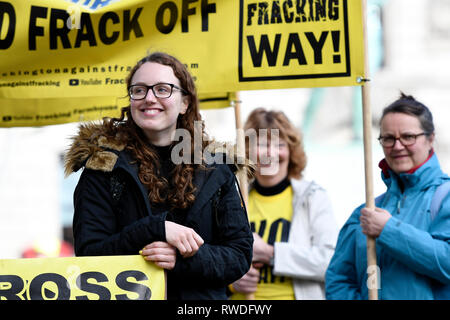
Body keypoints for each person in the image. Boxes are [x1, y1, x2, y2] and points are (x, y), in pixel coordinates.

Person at [64, 52, 253, 300]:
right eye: (139, 90)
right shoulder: (103, 167)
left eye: (162, 89)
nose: (149, 98)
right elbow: (90, 256)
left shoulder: (216, 168)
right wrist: (155, 229)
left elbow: (239, 256)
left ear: (185, 102)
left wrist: (182, 260)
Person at [326, 93, 450, 300]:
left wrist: (388, 230)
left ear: (430, 139)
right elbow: (338, 279)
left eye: (408, 137)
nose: (397, 146)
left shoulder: (445, 198)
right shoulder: (364, 212)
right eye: (388, 138)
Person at [229, 108, 339, 300]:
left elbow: (331, 262)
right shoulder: (233, 200)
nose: (270, 153)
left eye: (279, 145)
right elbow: (213, 262)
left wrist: (271, 254)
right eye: (262, 145)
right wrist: (231, 283)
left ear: (291, 151)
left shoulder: (312, 198)